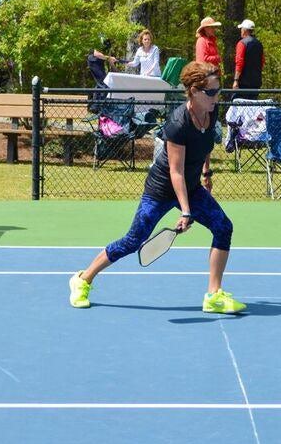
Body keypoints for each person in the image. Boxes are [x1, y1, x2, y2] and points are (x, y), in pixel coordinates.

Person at [68, 61, 244, 314]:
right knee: (133, 240)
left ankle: (213, 295)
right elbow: (176, 171)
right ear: (194, 91)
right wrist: (186, 211)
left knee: (223, 227)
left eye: (219, 91)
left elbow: (205, 143)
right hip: (160, 191)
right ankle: (82, 279)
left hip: (191, 187)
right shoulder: (177, 123)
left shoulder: (211, 110)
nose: (217, 97)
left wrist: (207, 172)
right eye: (211, 92)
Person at [232, 19, 264, 98]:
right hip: (256, 82)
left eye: (241, 29)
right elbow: (262, 62)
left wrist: (236, 80)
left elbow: (239, 62)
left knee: (237, 104)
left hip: (243, 83)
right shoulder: (259, 44)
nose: (241, 31)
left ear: (245, 30)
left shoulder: (242, 43)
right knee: (252, 105)